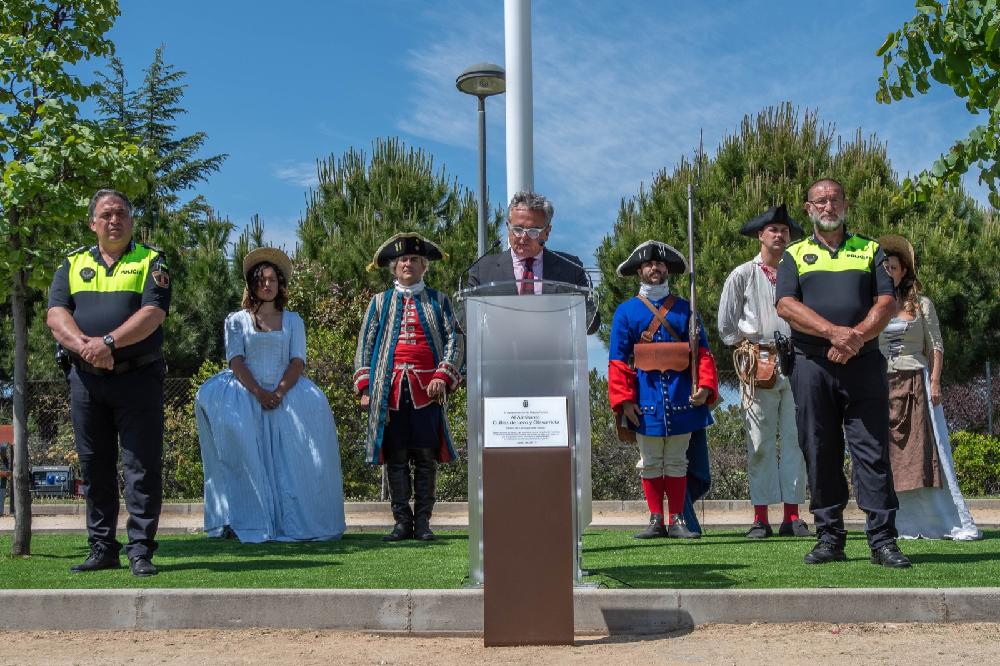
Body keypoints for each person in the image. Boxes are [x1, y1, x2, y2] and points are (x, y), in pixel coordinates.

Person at [775, 177, 910, 568]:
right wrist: (834, 333)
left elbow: (886, 301)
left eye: (834, 199)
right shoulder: (794, 254)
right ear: (809, 209)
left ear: (845, 204)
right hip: (811, 365)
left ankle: (883, 540)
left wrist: (855, 338)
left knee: (871, 451)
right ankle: (830, 537)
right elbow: (785, 304)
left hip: (863, 363)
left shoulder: (870, 249)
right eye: (820, 200)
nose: (828, 206)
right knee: (819, 451)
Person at [47, 189, 171, 577]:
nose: (114, 220)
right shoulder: (73, 262)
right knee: (95, 466)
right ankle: (102, 547)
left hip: (138, 378)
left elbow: (153, 314)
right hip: (86, 379)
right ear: (93, 223)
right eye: (106, 215)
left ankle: (140, 550)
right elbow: (56, 314)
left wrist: (109, 342)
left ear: (131, 221)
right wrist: (83, 346)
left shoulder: (151, 260)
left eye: (121, 214)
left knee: (141, 467)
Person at [195, 248, 346, 543]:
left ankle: (294, 522)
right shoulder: (235, 320)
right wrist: (258, 392)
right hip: (245, 392)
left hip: (288, 392)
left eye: (272, 280)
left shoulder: (293, 321)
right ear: (252, 285)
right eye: (261, 280)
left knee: (300, 459)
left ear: (280, 285)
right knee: (242, 454)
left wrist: (277, 392)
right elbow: (236, 360)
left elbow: (297, 361)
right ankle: (242, 519)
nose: (267, 285)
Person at [354, 233, 463, 541]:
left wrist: (443, 375)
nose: (408, 264)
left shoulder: (440, 301)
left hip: (428, 390)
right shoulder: (379, 303)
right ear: (394, 267)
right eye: (403, 260)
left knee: (426, 458)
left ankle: (424, 523)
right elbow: (365, 344)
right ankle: (402, 522)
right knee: (397, 457)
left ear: (423, 266)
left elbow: (455, 339)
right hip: (389, 391)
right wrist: (365, 388)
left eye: (414, 259)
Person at [608, 240, 719, 539]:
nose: (654, 268)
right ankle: (656, 519)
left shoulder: (686, 309)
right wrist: (623, 400)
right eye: (648, 264)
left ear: (667, 269)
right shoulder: (626, 312)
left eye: (659, 264)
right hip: (645, 396)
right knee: (651, 461)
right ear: (639, 271)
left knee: (677, 461)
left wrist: (706, 387)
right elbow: (617, 360)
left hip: (682, 394)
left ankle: (678, 519)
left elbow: (703, 353)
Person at [878, 234, 981, 540]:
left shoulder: (921, 304)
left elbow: (936, 345)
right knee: (889, 454)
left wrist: (935, 380)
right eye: (884, 267)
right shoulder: (875, 306)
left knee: (929, 449)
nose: (889, 272)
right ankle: (897, 523)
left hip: (916, 380)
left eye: (893, 267)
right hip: (883, 382)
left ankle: (942, 519)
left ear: (904, 271)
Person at [719, 204, 811, 539]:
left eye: (784, 230)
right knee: (758, 442)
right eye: (773, 229)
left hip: (798, 361)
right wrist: (747, 348)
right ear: (760, 235)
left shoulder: (799, 272)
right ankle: (760, 516)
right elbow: (726, 327)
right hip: (758, 362)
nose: (779, 234)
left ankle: (793, 514)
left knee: (796, 441)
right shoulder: (742, 274)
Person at [467, 190, 599, 333]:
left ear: (547, 232)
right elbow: (464, 321)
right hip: (500, 353)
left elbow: (591, 324)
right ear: (507, 227)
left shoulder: (570, 267)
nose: (524, 237)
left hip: (556, 352)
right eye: (517, 229)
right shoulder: (483, 269)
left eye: (533, 231)